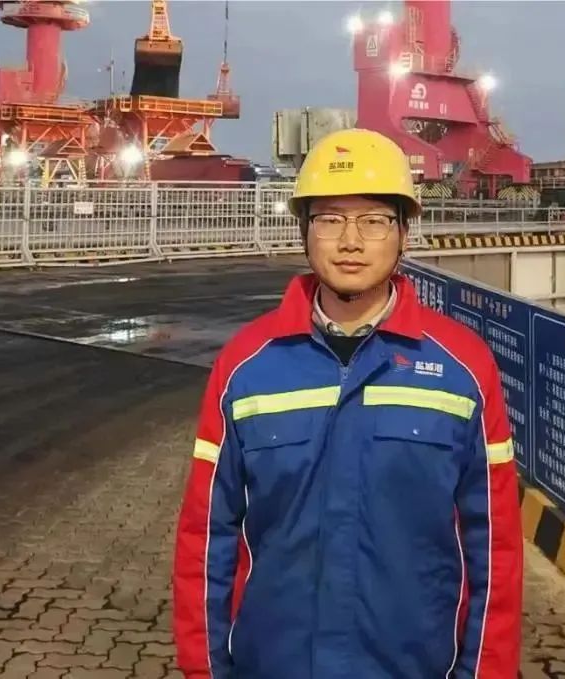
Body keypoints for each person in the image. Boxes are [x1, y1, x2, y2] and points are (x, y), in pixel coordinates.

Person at [172, 128, 523, 678]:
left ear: (404, 233)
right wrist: (205, 670)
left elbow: (494, 547)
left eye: (375, 221)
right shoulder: (245, 367)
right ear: (304, 231)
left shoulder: (463, 369)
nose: (351, 241)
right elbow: (206, 537)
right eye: (330, 220)